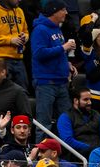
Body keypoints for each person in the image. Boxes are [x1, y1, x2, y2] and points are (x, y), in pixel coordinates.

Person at [31, 0, 75, 141]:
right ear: (54, 11)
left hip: (61, 82)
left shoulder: (57, 29)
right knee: (44, 124)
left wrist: (66, 63)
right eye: (63, 9)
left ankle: (67, 155)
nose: (66, 13)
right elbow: (39, 53)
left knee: (67, 122)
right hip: (46, 83)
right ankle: (40, 158)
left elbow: (54, 52)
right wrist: (63, 48)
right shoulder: (40, 29)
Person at [57, 87, 100, 159]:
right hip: (77, 155)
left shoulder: (97, 115)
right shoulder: (65, 117)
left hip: (99, 154)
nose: (90, 102)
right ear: (76, 100)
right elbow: (67, 140)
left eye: (90, 99)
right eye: (85, 100)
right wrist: (90, 149)